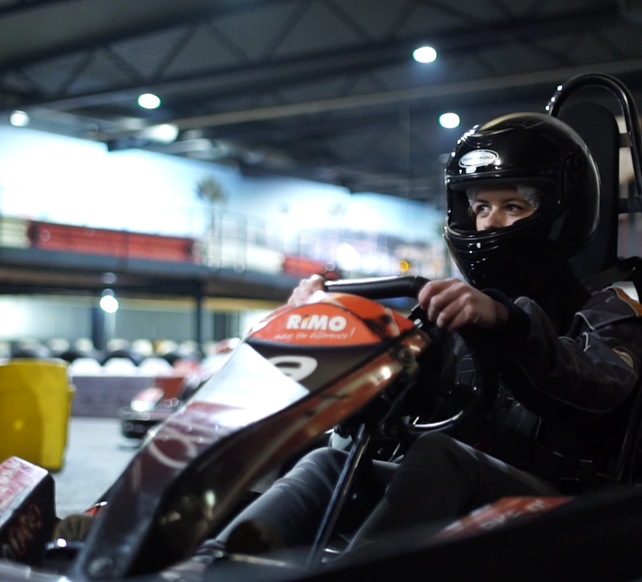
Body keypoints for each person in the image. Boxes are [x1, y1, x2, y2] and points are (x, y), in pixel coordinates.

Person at [217, 112, 642, 556]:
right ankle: (204, 573)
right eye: (480, 207)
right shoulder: (454, 314)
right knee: (330, 462)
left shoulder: (609, 305)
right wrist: (320, 326)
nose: (489, 223)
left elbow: (598, 387)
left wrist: (507, 323)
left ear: (560, 212)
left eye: (512, 206)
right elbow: (390, 406)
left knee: (440, 454)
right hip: (462, 493)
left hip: (564, 511)